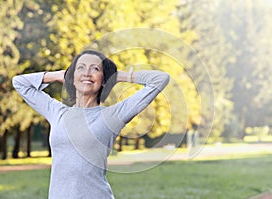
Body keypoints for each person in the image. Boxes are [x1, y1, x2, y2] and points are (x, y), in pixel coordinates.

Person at [12, 49, 170, 199]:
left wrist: (116, 76)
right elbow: (19, 82)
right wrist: (59, 75)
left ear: (103, 80)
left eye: (95, 69)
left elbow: (160, 79)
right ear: (72, 78)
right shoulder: (57, 112)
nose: (87, 73)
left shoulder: (112, 116)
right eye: (80, 68)